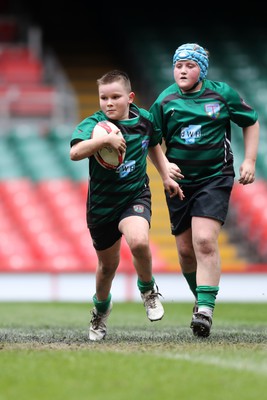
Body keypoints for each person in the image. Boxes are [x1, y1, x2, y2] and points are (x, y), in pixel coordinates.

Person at [149, 43, 260, 338]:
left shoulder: (222, 94)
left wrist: (249, 160)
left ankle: (204, 311)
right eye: (178, 65)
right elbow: (151, 140)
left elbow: (251, 122)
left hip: (215, 178)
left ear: (202, 70)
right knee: (185, 252)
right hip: (179, 184)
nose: (182, 70)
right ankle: (201, 299)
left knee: (205, 240)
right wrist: (164, 171)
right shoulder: (165, 100)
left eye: (190, 65)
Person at [70, 69, 184, 341]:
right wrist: (104, 140)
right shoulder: (95, 125)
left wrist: (166, 175)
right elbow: (74, 152)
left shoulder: (144, 120)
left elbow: (154, 144)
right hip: (102, 205)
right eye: (103, 97)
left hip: (135, 195)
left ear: (130, 97)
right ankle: (101, 310)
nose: (108, 103)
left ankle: (147, 290)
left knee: (140, 242)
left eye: (115, 97)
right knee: (107, 268)